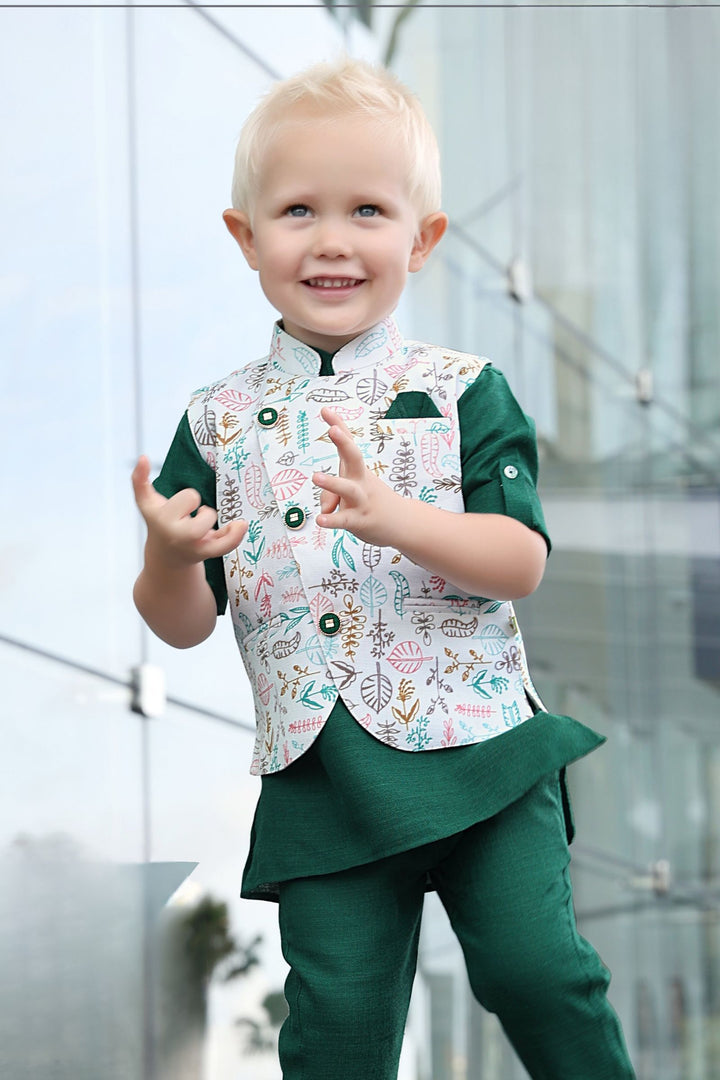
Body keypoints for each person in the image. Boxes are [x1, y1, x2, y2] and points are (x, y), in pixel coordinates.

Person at [132, 57, 635, 1080]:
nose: (331, 240)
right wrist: (166, 554)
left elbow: (520, 562)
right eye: (297, 210)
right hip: (321, 777)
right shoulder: (213, 423)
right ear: (246, 238)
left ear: (423, 238)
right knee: (337, 1034)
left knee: (540, 975)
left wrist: (401, 519)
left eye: (368, 209)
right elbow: (181, 623)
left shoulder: (465, 391)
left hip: (479, 753)